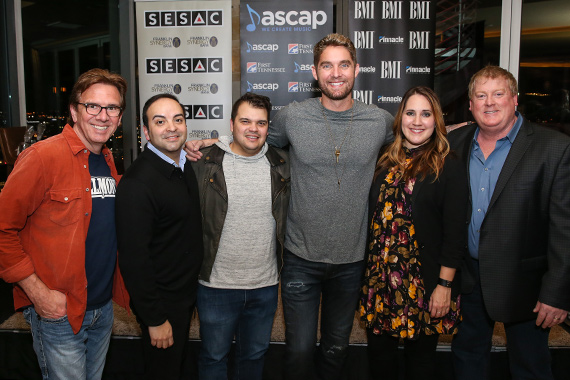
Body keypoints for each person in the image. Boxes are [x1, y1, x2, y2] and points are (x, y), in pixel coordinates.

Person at [186, 33, 394, 380]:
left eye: (343, 64)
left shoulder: (380, 121)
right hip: (300, 259)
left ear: (356, 69)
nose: (336, 73)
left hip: (352, 259)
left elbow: (421, 133)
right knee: (297, 350)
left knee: (336, 348)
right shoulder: (293, 117)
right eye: (327, 65)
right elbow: (252, 136)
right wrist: (211, 142)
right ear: (315, 72)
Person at [0, 68, 130, 380]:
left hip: (101, 309)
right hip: (59, 312)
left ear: (120, 116)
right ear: (73, 110)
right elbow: (3, 229)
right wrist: (38, 293)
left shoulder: (108, 161)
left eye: (112, 107)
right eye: (92, 106)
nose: (102, 115)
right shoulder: (42, 157)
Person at [449, 65, 570, 380]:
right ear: (471, 105)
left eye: (498, 94)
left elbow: (565, 230)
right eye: (481, 95)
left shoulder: (554, 148)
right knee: (467, 359)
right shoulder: (455, 143)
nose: (490, 103)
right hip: (469, 279)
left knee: (530, 366)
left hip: (526, 284)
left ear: (515, 100)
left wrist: (556, 293)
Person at [360, 86, 469, 380]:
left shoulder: (449, 164)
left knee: (419, 365)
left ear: (436, 121)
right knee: (379, 361)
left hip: (423, 284)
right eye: (410, 113)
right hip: (379, 282)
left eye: (426, 114)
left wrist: (444, 285)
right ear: (400, 118)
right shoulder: (385, 160)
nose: (417, 121)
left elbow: (455, 230)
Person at [190, 92, 289, 380]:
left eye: (261, 123)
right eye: (245, 121)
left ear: (268, 127)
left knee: (254, 357)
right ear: (231, 124)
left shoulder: (282, 164)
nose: (253, 129)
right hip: (215, 286)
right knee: (213, 358)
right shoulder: (202, 162)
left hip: (265, 286)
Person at [115, 94, 203, 380]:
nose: (172, 127)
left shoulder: (181, 165)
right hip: (162, 304)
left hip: (183, 297)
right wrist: (154, 318)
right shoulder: (137, 184)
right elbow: (133, 259)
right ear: (146, 131)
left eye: (178, 119)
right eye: (160, 121)